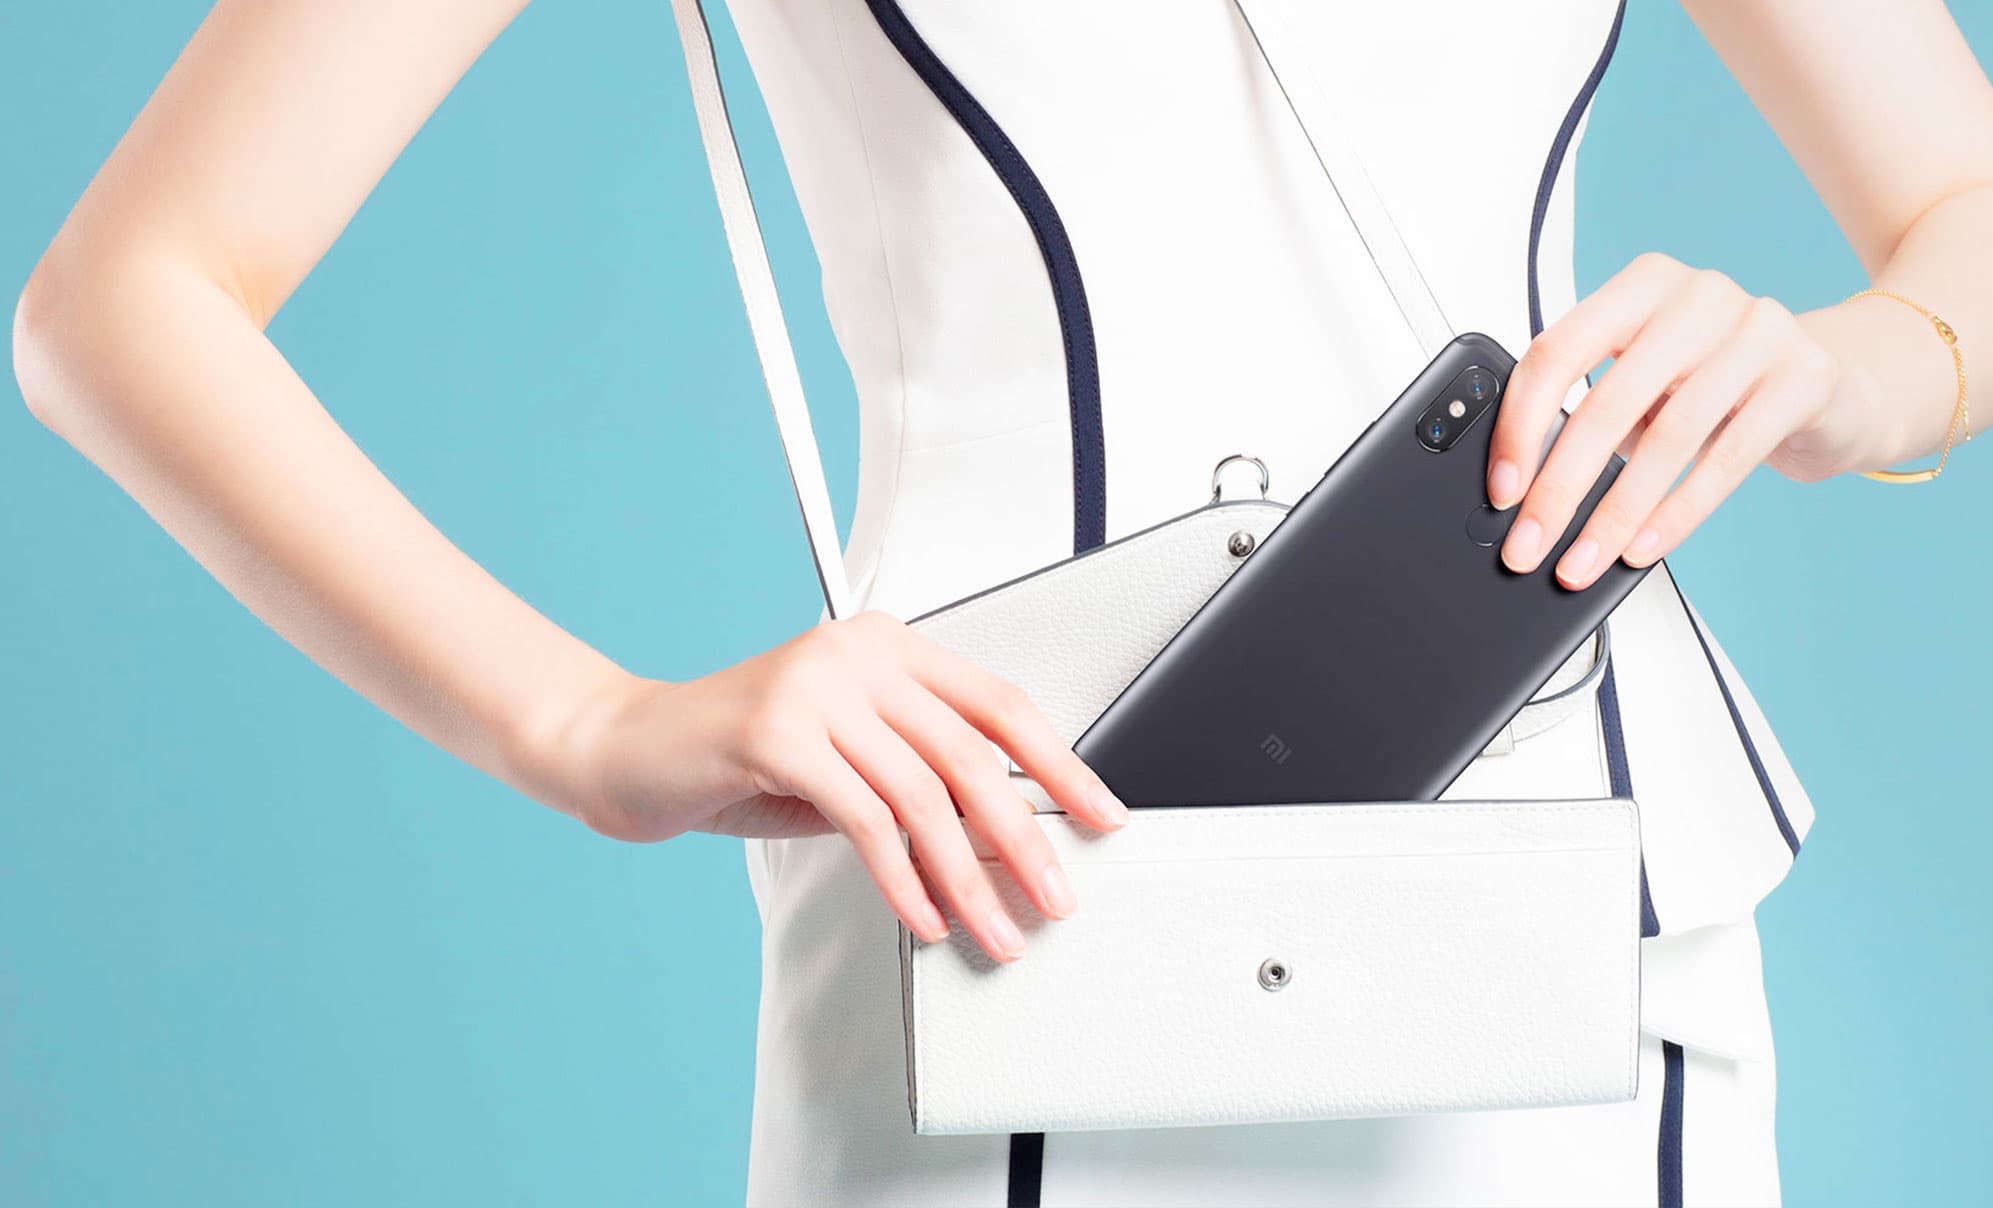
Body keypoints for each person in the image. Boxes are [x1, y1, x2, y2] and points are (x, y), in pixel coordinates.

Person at [14, 1, 1991, 1203]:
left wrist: (1843, 368)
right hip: (1001, 904)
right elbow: (120, 301)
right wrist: (583, 725)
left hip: (1585, 924)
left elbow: (1960, 212)